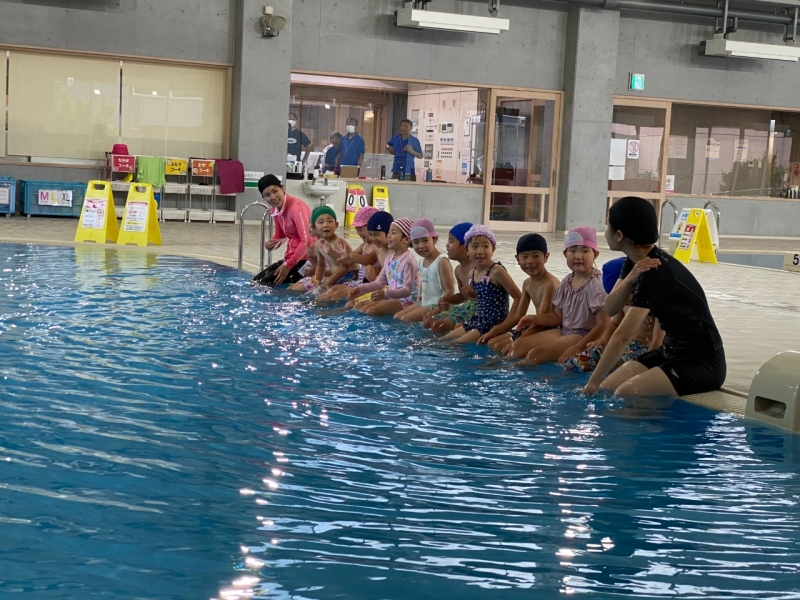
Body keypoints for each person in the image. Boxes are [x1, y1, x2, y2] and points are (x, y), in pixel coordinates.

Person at [583, 196, 726, 397]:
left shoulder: (656, 271)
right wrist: (630, 279)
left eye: (607, 226)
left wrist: (591, 384)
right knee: (607, 388)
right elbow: (610, 308)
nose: (605, 231)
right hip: (671, 351)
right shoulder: (635, 262)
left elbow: (623, 336)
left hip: (702, 362)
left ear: (619, 235)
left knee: (625, 393)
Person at [519, 227, 610, 366]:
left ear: (595, 254)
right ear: (565, 254)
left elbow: (604, 324)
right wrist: (533, 318)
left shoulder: (597, 284)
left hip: (584, 335)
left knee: (535, 355)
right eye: (572, 250)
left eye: (585, 251)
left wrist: (579, 347)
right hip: (564, 331)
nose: (578, 256)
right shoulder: (567, 281)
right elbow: (557, 317)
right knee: (518, 347)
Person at [563, 257, 661, 373]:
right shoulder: (621, 302)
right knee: (574, 363)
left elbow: (657, 341)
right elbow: (614, 323)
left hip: (641, 350)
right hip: (621, 344)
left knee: (609, 370)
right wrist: (603, 340)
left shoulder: (653, 305)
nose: (623, 303)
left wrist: (646, 366)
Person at [482, 233, 560, 354]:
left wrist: (517, 342)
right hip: (536, 327)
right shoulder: (527, 283)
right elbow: (518, 315)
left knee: (509, 349)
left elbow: (541, 322)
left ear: (546, 257)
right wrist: (495, 331)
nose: (530, 261)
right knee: (492, 343)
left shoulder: (550, 284)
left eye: (536, 256)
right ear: (517, 259)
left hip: (550, 329)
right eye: (525, 257)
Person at [443, 225, 522, 344]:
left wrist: (506, 324)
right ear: (466, 250)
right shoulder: (472, 273)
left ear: (493, 249)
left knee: (455, 345)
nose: (480, 251)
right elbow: (480, 298)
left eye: (485, 246)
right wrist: (450, 299)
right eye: (475, 246)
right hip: (478, 320)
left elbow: (518, 297)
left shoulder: (496, 271)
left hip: (493, 323)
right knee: (442, 341)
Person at [348, 218, 418, 317]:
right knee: (359, 306)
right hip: (393, 297)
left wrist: (385, 294)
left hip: (407, 300)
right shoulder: (389, 259)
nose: (388, 235)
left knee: (371, 311)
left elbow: (407, 290)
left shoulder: (408, 261)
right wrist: (359, 289)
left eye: (393, 232)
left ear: (406, 239)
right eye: (389, 232)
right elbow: (379, 283)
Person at [252, 174, 312, 286]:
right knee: (255, 282)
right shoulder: (275, 210)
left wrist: (288, 266)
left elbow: (307, 241)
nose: (273, 197)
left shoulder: (296, 207)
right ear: (263, 198)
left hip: (309, 260)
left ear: (282, 188)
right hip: (292, 258)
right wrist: (270, 244)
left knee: (266, 285)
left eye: (275, 191)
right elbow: (280, 235)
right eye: (267, 195)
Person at [394, 219, 456, 323]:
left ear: (435, 239)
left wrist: (436, 311)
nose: (421, 246)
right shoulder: (421, 262)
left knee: (406, 319)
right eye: (416, 242)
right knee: (397, 317)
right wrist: (418, 301)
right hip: (425, 302)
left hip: (437, 304)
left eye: (425, 240)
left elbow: (450, 290)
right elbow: (423, 287)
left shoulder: (442, 261)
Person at [318, 206, 380, 303]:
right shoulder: (364, 245)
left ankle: (327, 308)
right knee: (334, 289)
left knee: (337, 295)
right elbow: (347, 259)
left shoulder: (377, 246)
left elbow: (369, 259)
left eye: (360, 229)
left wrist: (350, 256)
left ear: (372, 227)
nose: (358, 233)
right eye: (357, 229)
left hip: (368, 284)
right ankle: (317, 305)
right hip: (358, 282)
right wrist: (331, 251)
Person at [424, 223, 476, 334]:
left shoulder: (477, 270)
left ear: (465, 247)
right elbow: (462, 297)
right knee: (428, 322)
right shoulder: (458, 270)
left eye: (451, 241)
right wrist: (448, 300)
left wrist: (472, 293)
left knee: (438, 325)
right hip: (467, 308)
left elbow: (486, 298)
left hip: (478, 311)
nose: (447, 245)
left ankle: (444, 344)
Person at [289, 206, 353, 293]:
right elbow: (320, 266)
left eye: (330, 221)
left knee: (320, 296)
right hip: (335, 277)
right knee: (293, 290)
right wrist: (317, 280)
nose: (326, 225)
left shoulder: (338, 242)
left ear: (336, 225)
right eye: (321, 222)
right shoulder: (318, 244)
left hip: (348, 277)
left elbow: (346, 267)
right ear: (314, 227)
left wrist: (328, 282)